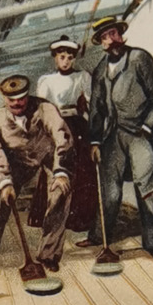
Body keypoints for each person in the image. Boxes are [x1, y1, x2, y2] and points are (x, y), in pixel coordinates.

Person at [0, 73, 71, 279]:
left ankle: (48, 255)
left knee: (60, 194)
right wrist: (5, 183)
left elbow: (62, 138)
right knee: (1, 198)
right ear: (4, 99)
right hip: (18, 161)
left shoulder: (46, 109)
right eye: (11, 100)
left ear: (28, 96)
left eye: (21, 99)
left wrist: (60, 171)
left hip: (49, 155)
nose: (17, 103)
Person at [87, 11, 153, 261]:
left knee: (146, 189)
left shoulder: (139, 59)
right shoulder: (100, 69)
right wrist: (94, 140)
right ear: (101, 43)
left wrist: (148, 127)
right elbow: (96, 109)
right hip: (112, 137)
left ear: (121, 35)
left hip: (140, 135)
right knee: (109, 191)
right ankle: (99, 237)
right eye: (105, 37)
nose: (111, 39)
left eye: (113, 33)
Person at [34, 34, 98, 245]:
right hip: (56, 125)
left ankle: (78, 217)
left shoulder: (82, 77)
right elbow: (42, 108)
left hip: (76, 125)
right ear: (55, 58)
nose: (66, 61)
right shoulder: (46, 81)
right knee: (57, 168)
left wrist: (88, 120)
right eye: (62, 57)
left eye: (70, 57)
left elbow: (90, 102)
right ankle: (53, 216)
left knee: (81, 170)